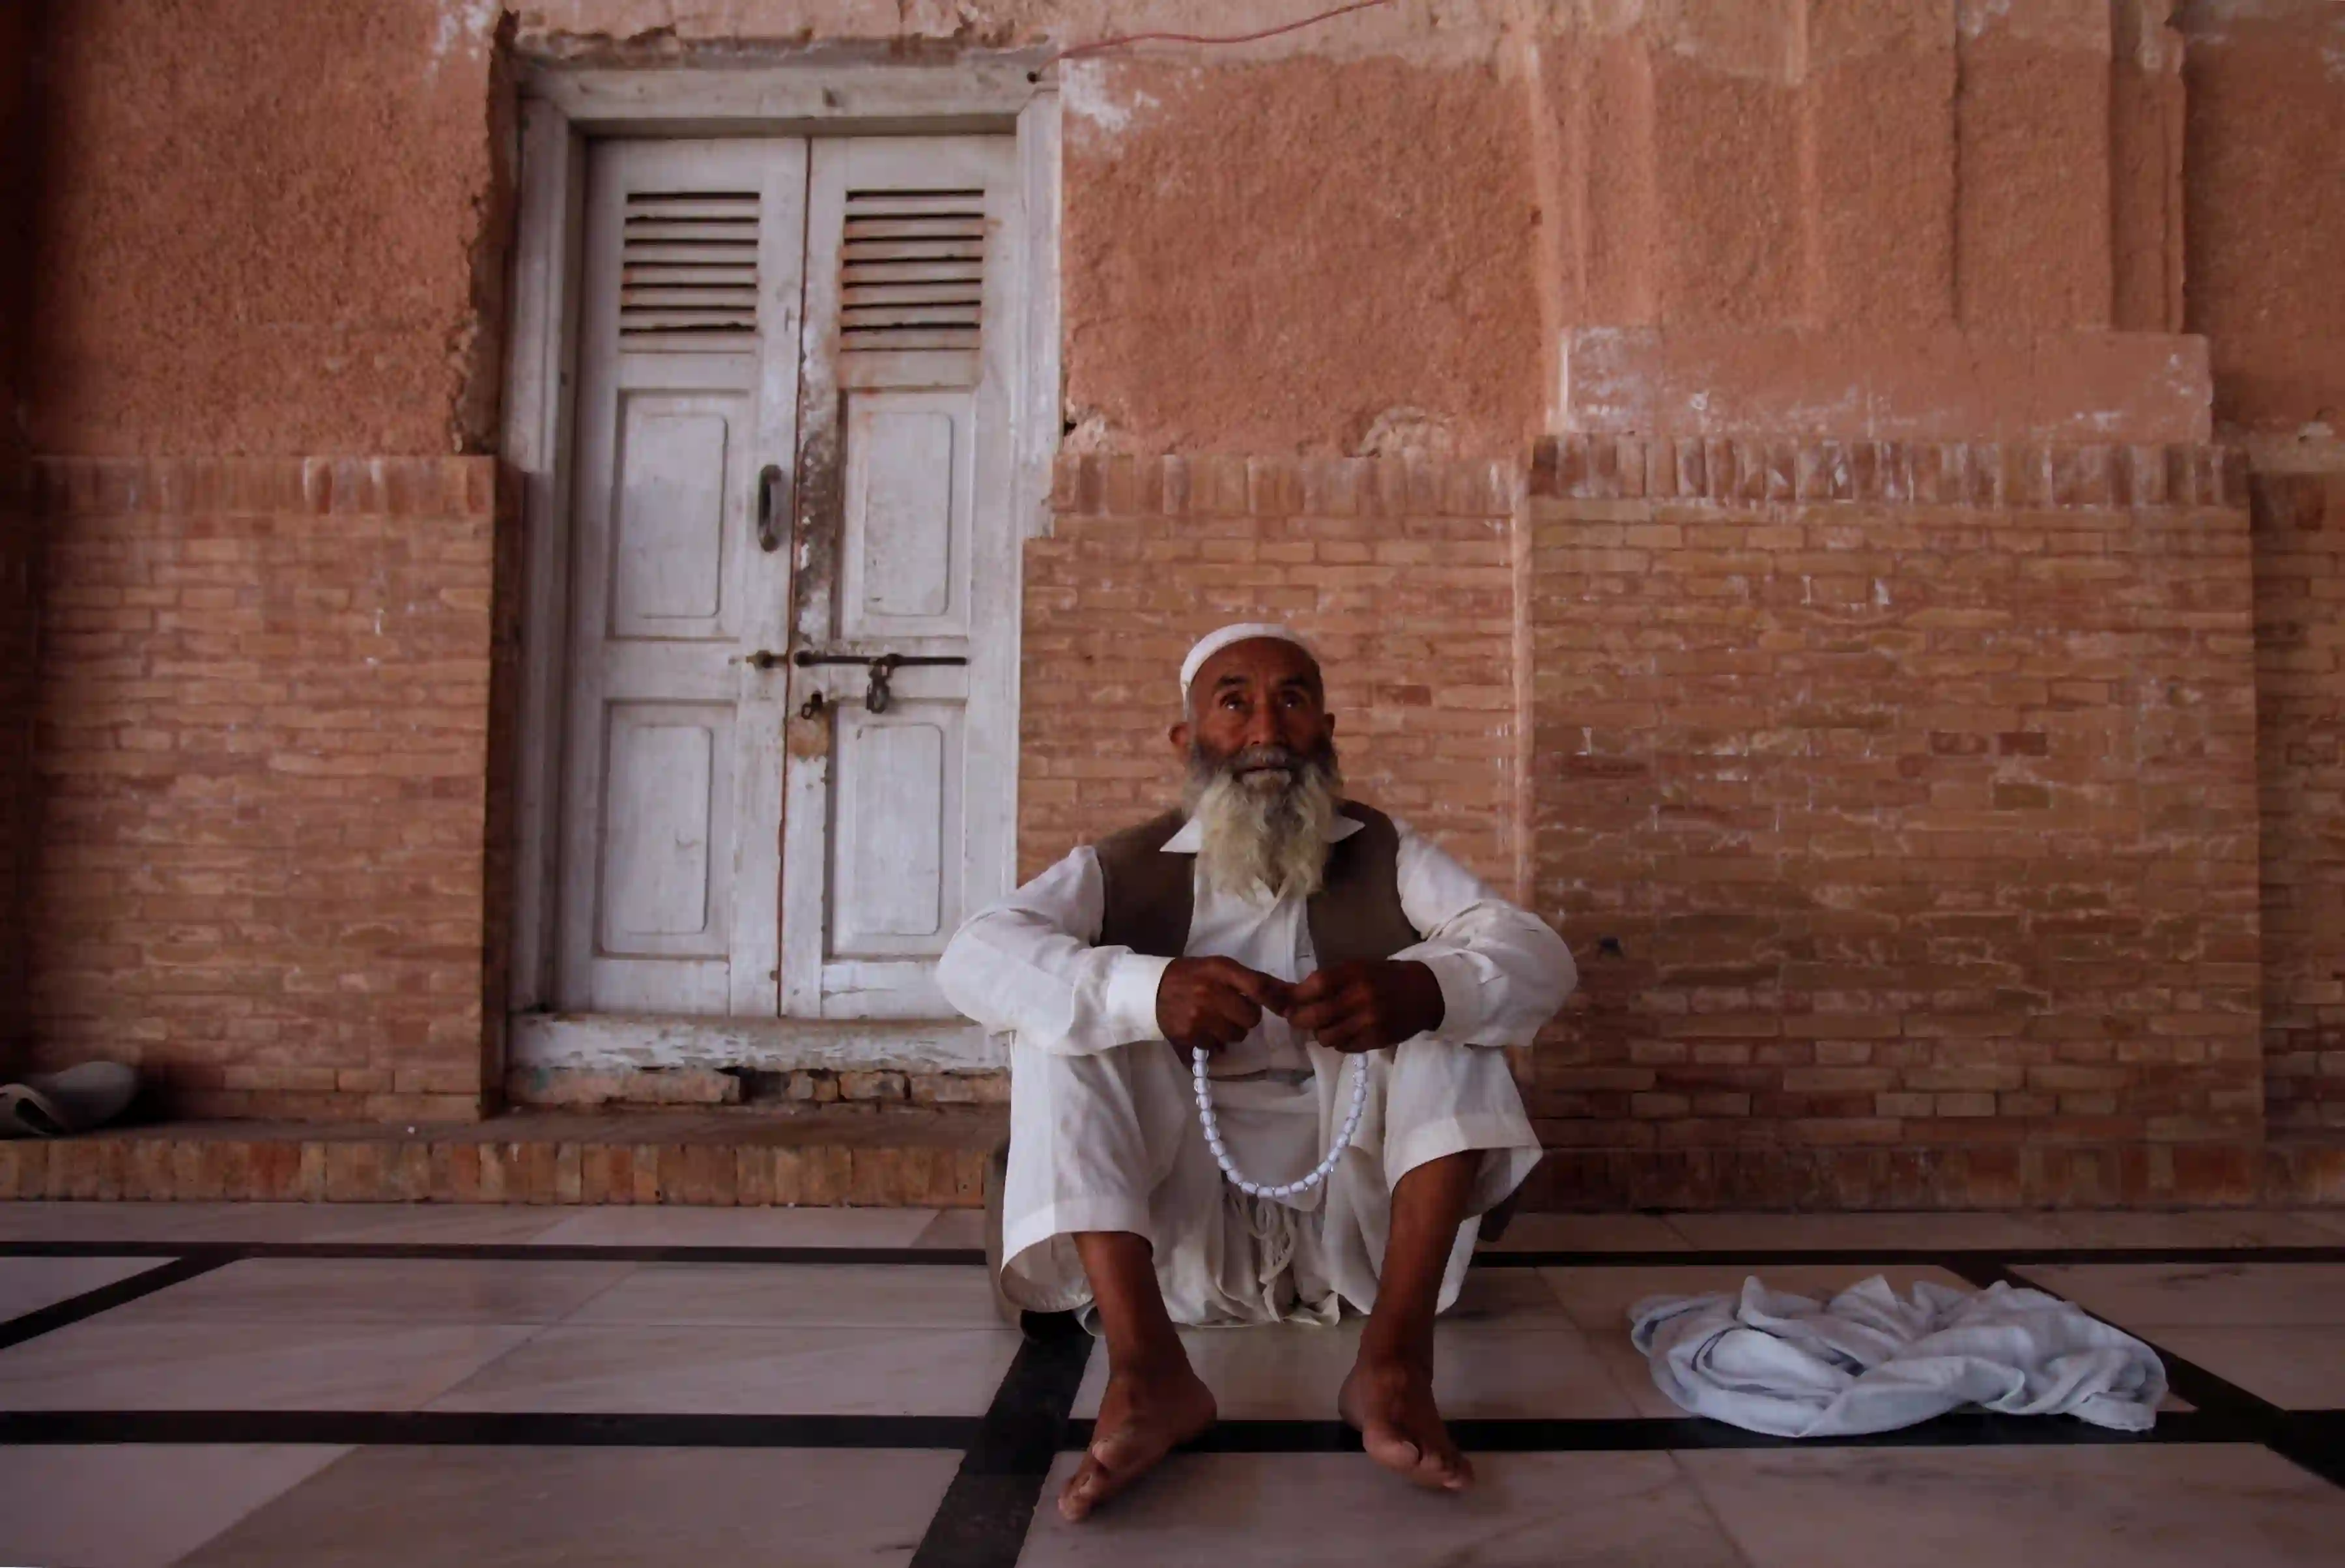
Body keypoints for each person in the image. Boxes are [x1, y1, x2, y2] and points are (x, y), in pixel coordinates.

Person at [937, 622, 1574, 1520]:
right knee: (1056, 1028)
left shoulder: (1387, 852)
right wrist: (1146, 990)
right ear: (1187, 739)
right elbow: (972, 957)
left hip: (1359, 1225)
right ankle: (1148, 1369)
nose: (1266, 726)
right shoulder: (1121, 865)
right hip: (1173, 1235)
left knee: (1450, 1013)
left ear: (1327, 730)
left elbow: (1538, 955)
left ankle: (1394, 1363)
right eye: (1234, 702)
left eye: (1293, 700)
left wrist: (1420, 988)